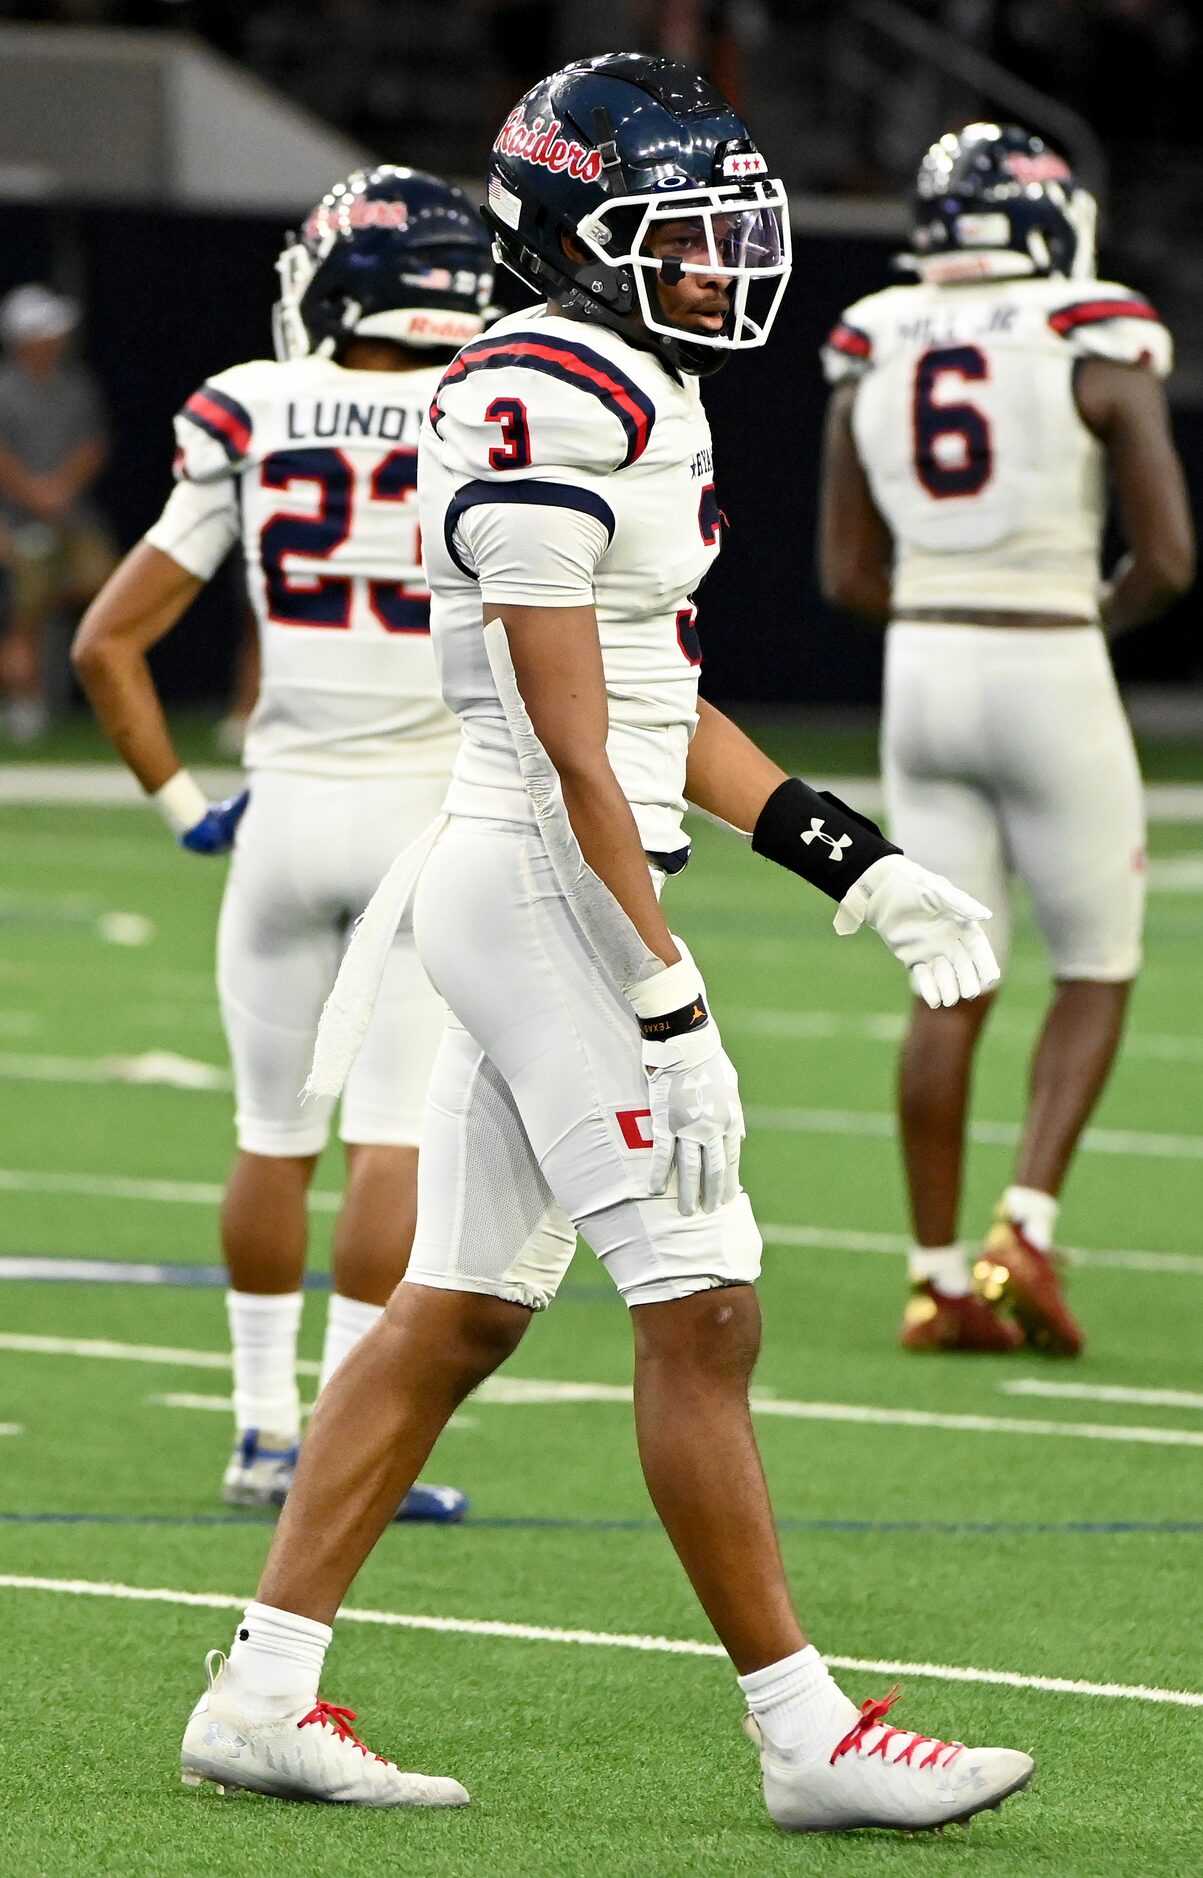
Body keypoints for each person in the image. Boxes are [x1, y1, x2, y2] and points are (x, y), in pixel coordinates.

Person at [176, 56, 1032, 1833]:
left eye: (730, 232)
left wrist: (851, 861)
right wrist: (661, 988)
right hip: (547, 879)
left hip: (545, 863)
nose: (725, 267)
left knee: (460, 1308)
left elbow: (652, 702)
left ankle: (257, 1689)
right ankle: (802, 1729)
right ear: (572, 239)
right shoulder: (550, 390)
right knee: (701, 1302)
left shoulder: (621, 375)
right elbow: (570, 737)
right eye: (682, 237)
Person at [73, 167, 497, 1519]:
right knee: (391, 1143)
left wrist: (181, 804)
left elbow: (106, 642)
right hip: (425, 820)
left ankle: (261, 1432)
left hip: (285, 811)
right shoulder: (492, 411)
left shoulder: (253, 408)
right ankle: (339, 1443)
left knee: (273, 1136)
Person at [818, 124, 1195, 1357]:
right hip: (1044, 655)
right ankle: (1021, 1224)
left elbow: (844, 570)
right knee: (1096, 960)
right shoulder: (1093, 327)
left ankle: (934, 1279)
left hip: (919, 666)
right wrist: (1078, 612)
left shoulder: (874, 337)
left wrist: (945, 611)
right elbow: (1172, 557)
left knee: (950, 969)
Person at [0, 284, 116, 743]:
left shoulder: (76, 384)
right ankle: (25, 701)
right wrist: (33, 493)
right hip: (14, 515)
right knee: (25, 609)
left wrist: (61, 487)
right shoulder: (5, 389)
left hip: (72, 513)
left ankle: (107, 694)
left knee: (107, 591)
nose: (58, 339)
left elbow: (94, 443)